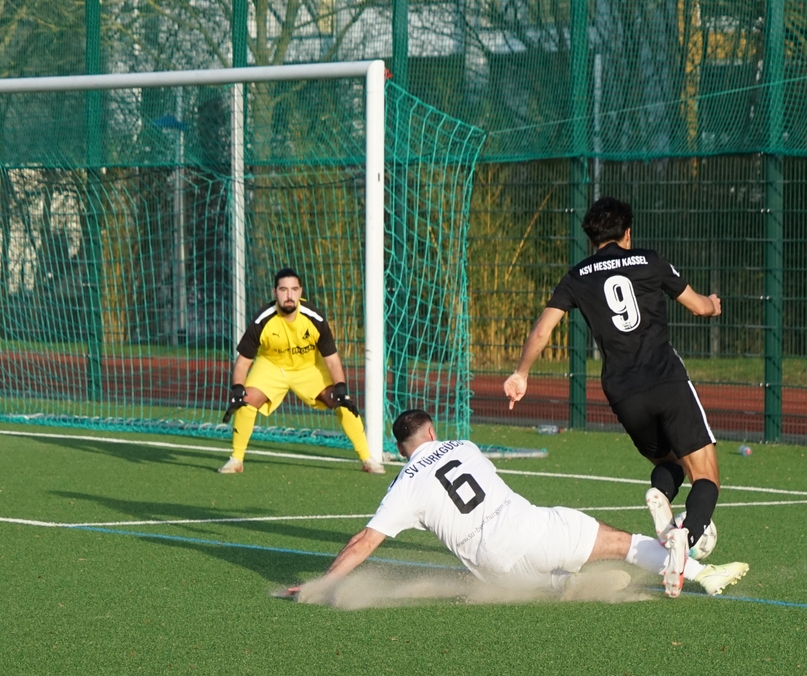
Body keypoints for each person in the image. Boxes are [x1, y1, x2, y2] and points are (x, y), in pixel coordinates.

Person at [287, 410, 748, 600]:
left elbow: (363, 541)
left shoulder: (402, 486)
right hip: (529, 530)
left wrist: (319, 584)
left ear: (402, 449)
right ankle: (701, 573)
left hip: (493, 570)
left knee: (533, 576)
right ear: (431, 432)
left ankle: (567, 584)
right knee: (621, 543)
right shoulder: (463, 446)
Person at [503, 196, 722, 557]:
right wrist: (713, 304)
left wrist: (521, 374)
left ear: (592, 239)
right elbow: (699, 306)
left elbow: (542, 331)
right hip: (666, 381)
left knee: (670, 463)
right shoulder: (650, 260)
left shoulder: (577, 276)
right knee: (706, 476)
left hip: (624, 394)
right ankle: (686, 538)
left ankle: (661, 494)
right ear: (627, 233)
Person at [219, 267, 384, 475]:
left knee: (342, 401)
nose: (289, 295)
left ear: (300, 291)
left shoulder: (314, 318)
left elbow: (332, 361)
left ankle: (367, 459)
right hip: (271, 366)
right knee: (246, 399)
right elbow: (242, 362)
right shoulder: (262, 320)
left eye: (294, 289)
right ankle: (236, 460)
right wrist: (237, 389)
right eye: (283, 290)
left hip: (309, 367)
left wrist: (341, 388)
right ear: (274, 292)